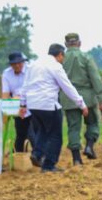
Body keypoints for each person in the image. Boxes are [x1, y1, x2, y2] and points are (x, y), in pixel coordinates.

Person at [20, 44, 88, 172]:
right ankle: (49, 165)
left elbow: (25, 85)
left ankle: (37, 154)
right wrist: (81, 103)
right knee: (56, 136)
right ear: (60, 54)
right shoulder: (56, 66)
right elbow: (67, 86)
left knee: (42, 130)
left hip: (33, 104)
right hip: (48, 104)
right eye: (63, 57)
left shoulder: (34, 64)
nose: (63, 60)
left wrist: (23, 104)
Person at [59, 33, 102, 165]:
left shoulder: (61, 59)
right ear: (79, 43)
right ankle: (89, 146)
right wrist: (101, 98)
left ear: (66, 44)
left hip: (69, 98)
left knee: (73, 127)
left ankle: (76, 159)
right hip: (87, 98)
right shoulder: (86, 57)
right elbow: (95, 78)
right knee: (92, 123)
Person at [1, 51, 35, 152]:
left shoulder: (31, 71)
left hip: (32, 104)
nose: (17, 65)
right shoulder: (6, 74)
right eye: (14, 64)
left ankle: (39, 156)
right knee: (21, 133)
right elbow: (5, 94)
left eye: (19, 63)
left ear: (23, 62)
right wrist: (5, 111)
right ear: (11, 64)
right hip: (16, 106)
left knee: (32, 133)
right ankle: (18, 156)